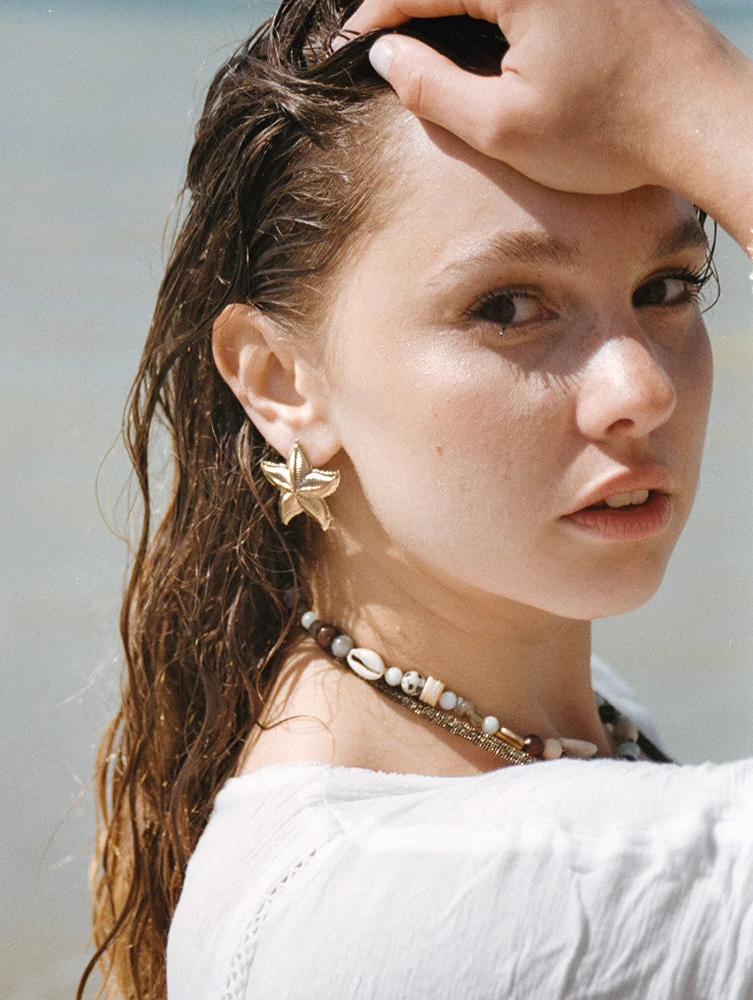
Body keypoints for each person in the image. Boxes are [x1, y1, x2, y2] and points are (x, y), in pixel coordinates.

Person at [79, 1, 753, 998]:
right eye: (508, 306)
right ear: (278, 380)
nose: (641, 388)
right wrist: (702, 100)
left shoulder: (547, 723)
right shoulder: (401, 902)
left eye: (664, 285)